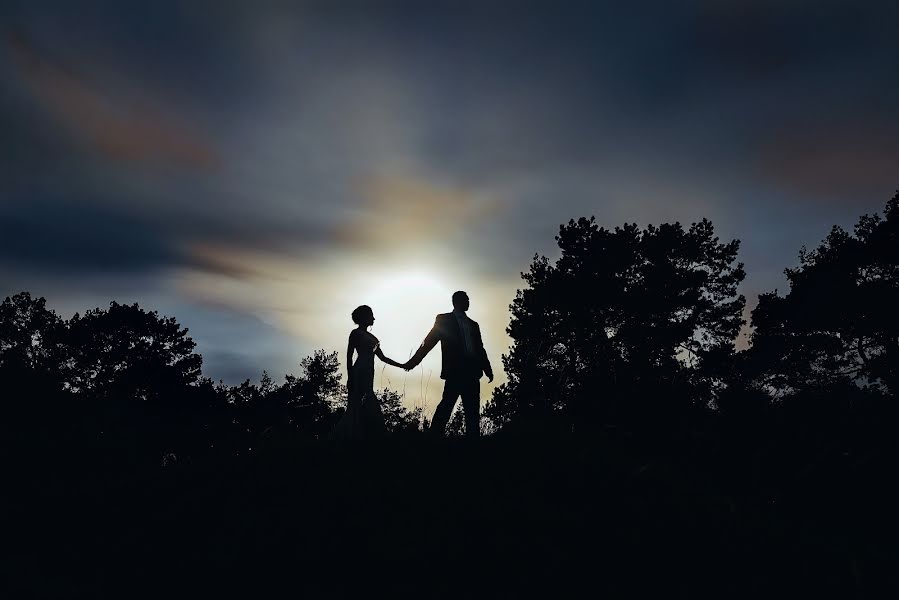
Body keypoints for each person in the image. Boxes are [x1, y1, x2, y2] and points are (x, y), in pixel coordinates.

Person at [404, 291, 493, 438]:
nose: (469, 302)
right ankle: (434, 438)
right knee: (446, 406)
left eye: (468, 299)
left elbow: (480, 348)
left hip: (472, 372)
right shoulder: (443, 320)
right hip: (455, 371)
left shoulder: (473, 324)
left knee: (472, 411)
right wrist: (414, 362)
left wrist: (487, 368)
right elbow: (428, 342)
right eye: (466, 299)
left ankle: (474, 442)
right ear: (457, 302)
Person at [333, 305, 404, 439]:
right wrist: (350, 377)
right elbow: (349, 356)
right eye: (371, 315)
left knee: (364, 404)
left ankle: (360, 436)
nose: (374, 318)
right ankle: (355, 436)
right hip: (358, 371)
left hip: (369, 372)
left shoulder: (374, 338)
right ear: (363, 317)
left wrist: (402, 365)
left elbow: (383, 358)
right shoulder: (355, 333)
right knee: (357, 404)